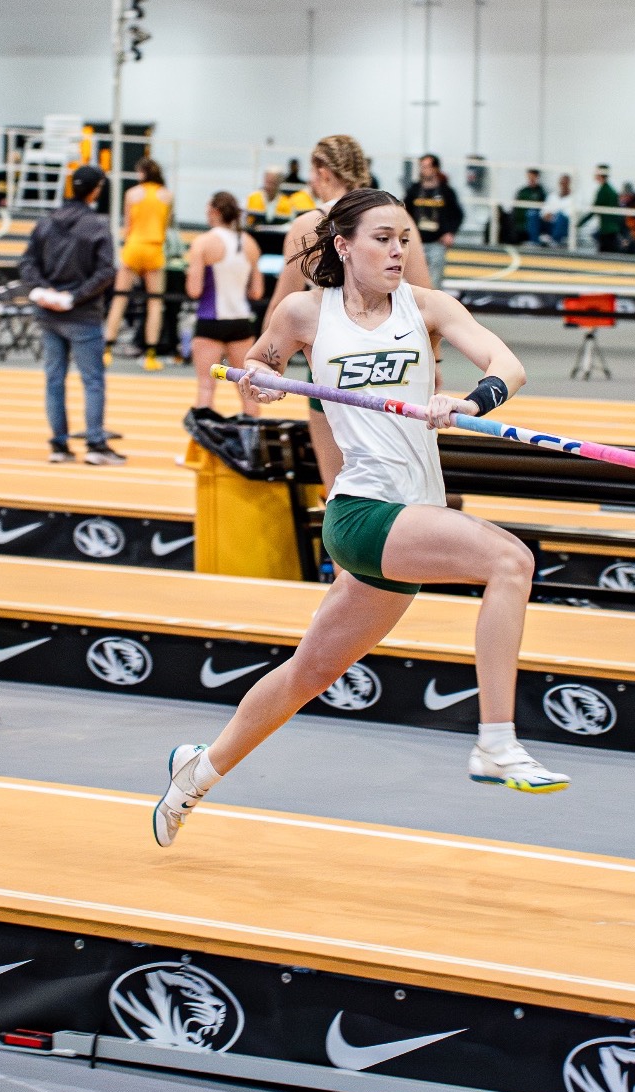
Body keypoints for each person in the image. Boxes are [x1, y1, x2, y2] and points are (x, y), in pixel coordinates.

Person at [152, 188, 567, 848]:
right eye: (382, 238)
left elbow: (506, 365)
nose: (397, 249)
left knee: (308, 675)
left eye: (403, 237)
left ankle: (194, 774)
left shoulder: (427, 308)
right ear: (344, 246)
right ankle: (495, 742)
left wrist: (471, 399)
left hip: (414, 515)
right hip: (361, 510)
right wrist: (260, 379)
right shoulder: (304, 312)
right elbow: (260, 365)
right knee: (510, 560)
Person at [264, 134, 436, 490]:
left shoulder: (308, 224)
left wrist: (264, 358)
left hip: (335, 363)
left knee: (341, 487)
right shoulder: (396, 222)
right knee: (405, 485)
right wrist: (434, 366)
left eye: (313, 173)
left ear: (323, 172)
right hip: (398, 361)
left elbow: (282, 303)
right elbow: (425, 299)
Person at [21, 164, 122, 465]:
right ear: (95, 191)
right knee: (92, 381)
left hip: (49, 314)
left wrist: (44, 291)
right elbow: (105, 271)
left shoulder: (47, 222)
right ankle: (95, 444)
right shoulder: (96, 226)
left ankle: (59, 445)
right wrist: (73, 297)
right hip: (83, 314)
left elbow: (27, 263)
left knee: (54, 380)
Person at [184, 191, 265, 416]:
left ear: (215, 212)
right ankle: (252, 444)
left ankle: (204, 447)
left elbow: (194, 290)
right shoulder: (249, 243)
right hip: (240, 323)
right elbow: (257, 292)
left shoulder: (203, 242)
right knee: (247, 390)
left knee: (206, 387)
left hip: (210, 321)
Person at [103, 158, 173, 370]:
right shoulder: (167, 195)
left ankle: (107, 349)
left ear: (142, 173)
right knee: (155, 303)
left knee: (119, 298)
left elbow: (128, 225)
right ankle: (150, 355)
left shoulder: (132, 194)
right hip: (154, 248)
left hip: (134, 246)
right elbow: (166, 225)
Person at [409, 154, 463, 284]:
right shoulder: (414, 190)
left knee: (435, 283)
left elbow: (457, 214)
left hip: (437, 243)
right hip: (417, 242)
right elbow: (404, 211)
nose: (423, 170)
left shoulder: (446, 191)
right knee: (415, 282)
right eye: (422, 167)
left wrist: (450, 232)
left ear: (436, 168)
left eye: (427, 167)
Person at [245, 165, 313, 227]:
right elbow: (246, 222)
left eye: (273, 183)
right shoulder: (252, 198)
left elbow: (291, 223)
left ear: (280, 183)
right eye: (267, 182)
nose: (269, 186)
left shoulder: (288, 203)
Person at [587, 165, 623, 253]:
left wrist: (577, 224)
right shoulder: (610, 190)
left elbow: (594, 210)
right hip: (611, 229)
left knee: (605, 255)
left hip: (607, 230)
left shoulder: (603, 191)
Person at [539, 173, 575, 246]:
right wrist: (546, 214)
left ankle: (555, 240)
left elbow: (569, 214)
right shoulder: (552, 196)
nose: (563, 185)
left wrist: (554, 215)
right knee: (533, 214)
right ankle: (535, 242)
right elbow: (544, 210)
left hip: (564, 225)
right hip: (549, 222)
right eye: (562, 183)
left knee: (560, 216)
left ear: (570, 184)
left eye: (566, 183)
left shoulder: (574, 198)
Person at [513, 168, 547, 245]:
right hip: (519, 223)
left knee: (533, 214)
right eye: (529, 177)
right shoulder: (522, 191)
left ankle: (534, 242)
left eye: (533, 177)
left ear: (537, 177)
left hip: (533, 224)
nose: (531, 179)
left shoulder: (541, 192)